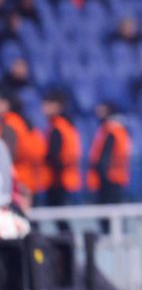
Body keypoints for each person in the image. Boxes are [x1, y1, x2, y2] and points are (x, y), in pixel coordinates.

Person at [42, 91, 82, 232]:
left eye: (48, 104)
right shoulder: (66, 126)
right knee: (61, 218)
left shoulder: (57, 128)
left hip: (58, 180)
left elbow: (54, 156)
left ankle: (68, 248)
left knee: (60, 218)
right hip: (65, 178)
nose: (44, 107)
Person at [0, 90, 46, 199]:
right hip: (30, 177)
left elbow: (7, 156)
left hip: (17, 180)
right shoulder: (21, 121)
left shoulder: (9, 125)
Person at [86, 104, 132, 206]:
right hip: (112, 174)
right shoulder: (110, 128)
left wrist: (101, 171)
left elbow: (107, 154)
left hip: (110, 175)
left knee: (111, 208)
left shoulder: (111, 130)